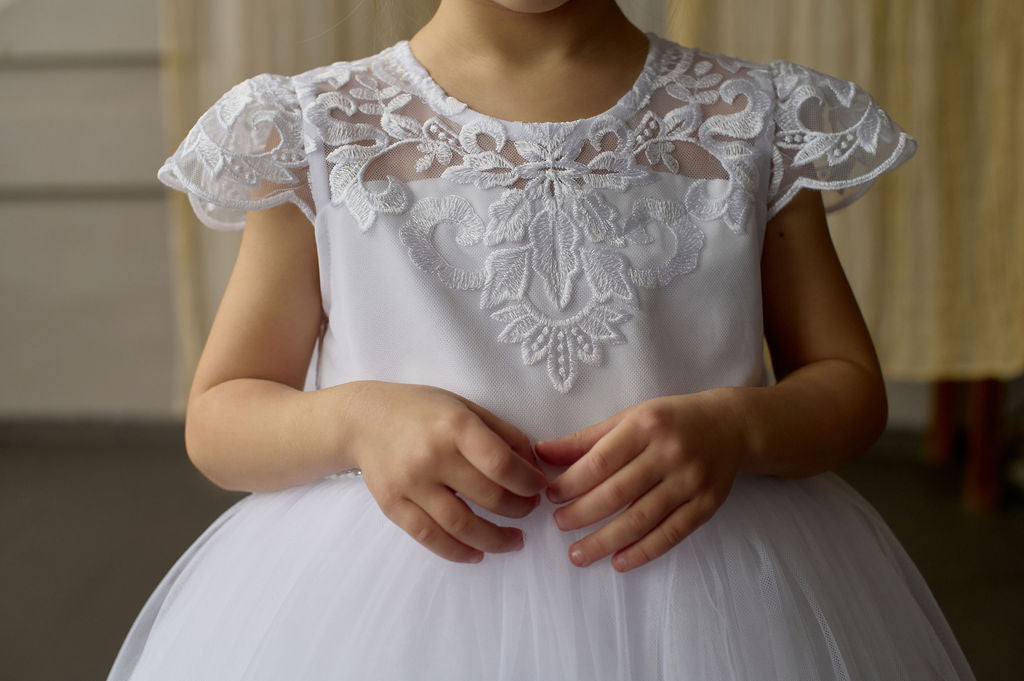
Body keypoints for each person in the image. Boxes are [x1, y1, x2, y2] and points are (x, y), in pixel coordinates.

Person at [106, 1, 977, 679]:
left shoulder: (753, 117)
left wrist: (737, 427)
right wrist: (356, 421)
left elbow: (847, 384)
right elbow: (221, 416)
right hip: (390, 618)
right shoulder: (319, 130)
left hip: (714, 601)